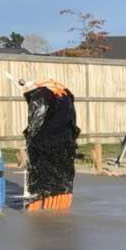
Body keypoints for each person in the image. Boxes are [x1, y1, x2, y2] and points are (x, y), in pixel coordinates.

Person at [18, 78, 80, 211]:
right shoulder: (65, 96)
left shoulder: (40, 96)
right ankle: (56, 206)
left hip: (47, 145)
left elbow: (35, 126)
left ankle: (39, 206)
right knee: (61, 179)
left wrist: (31, 142)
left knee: (42, 179)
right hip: (64, 145)